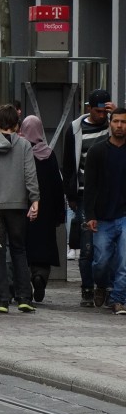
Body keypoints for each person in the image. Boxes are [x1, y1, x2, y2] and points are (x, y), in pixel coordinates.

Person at [0, 104, 41, 313]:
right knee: (19, 250)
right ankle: (24, 297)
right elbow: (30, 174)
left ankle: (2, 299)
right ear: (17, 124)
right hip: (18, 205)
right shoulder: (24, 146)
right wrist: (34, 199)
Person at [66, 88, 115, 306]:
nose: (101, 116)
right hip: (85, 193)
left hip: (112, 194)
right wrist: (71, 194)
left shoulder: (113, 126)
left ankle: (106, 287)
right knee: (87, 246)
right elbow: (69, 163)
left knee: (109, 246)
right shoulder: (76, 129)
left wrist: (115, 116)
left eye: (104, 112)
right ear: (89, 109)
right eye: (97, 112)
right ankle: (87, 287)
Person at [84, 106, 126, 314]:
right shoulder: (97, 151)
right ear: (110, 123)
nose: (119, 126)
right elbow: (89, 186)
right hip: (102, 217)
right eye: (116, 121)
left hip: (124, 216)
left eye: (123, 122)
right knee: (100, 261)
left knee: (124, 261)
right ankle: (101, 285)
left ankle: (118, 298)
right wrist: (89, 215)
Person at [21, 115, 66, 302]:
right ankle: (40, 276)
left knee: (24, 248)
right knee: (44, 247)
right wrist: (59, 214)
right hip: (46, 210)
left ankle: (25, 283)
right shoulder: (48, 154)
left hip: (24, 208)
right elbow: (57, 185)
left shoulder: (20, 151)